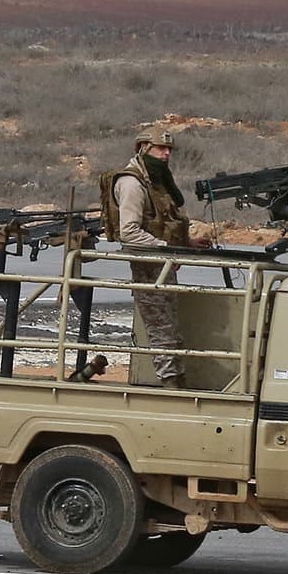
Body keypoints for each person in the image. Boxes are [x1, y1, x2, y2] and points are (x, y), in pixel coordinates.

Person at [102, 128, 209, 390]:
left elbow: (163, 223)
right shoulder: (132, 183)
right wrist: (164, 248)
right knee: (161, 328)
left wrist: (187, 244)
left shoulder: (155, 183)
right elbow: (129, 232)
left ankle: (176, 380)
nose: (166, 154)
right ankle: (171, 383)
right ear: (143, 148)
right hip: (148, 265)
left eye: (169, 149)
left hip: (162, 262)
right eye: (160, 148)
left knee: (170, 327)